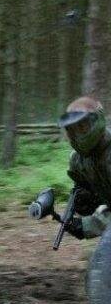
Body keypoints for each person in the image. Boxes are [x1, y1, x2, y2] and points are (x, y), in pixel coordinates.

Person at [59, 96, 111, 240]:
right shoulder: (78, 159)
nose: (77, 135)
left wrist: (88, 226)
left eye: (82, 127)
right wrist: (87, 200)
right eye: (72, 130)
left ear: (97, 122)